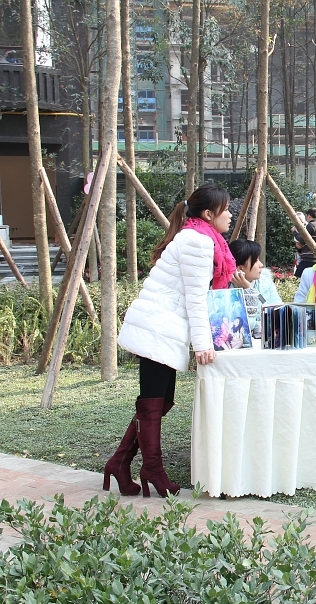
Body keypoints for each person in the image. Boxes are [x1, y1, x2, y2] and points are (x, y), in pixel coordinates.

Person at [109, 182, 233, 497]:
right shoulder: (198, 242)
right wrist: (203, 344)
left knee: (159, 402)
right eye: (226, 209)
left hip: (163, 327)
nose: (230, 215)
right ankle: (152, 469)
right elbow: (195, 298)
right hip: (157, 327)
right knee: (153, 402)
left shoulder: (200, 238)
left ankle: (120, 462)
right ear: (209, 214)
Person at [229, 238, 282, 341]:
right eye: (255, 260)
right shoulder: (226, 289)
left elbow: (278, 313)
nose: (261, 265)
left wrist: (250, 289)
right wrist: (248, 290)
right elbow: (244, 327)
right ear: (240, 268)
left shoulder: (265, 283)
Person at [294, 209, 316, 277]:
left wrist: (294, 232)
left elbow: (302, 239)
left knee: (298, 277)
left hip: (308, 259)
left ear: (309, 216)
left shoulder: (311, 225)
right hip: (315, 259)